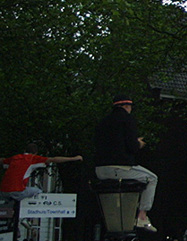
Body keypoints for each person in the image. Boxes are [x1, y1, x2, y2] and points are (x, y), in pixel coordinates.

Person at [94, 94, 159, 232]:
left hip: (99, 170)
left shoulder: (103, 122)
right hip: (118, 167)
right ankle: (142, 216)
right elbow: (132, 147)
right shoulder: (127, 120)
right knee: (152, 178)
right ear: (127, 106)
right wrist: (138, 143)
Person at [1, 144, 82, 201]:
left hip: (3, 191)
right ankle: (25, 218)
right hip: (17, 191)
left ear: (24, 150)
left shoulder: (15, 158)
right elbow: (53, 159)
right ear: (35, 153)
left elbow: (2, 161)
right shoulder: (32, 159)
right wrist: (73, 158)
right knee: (38, 191)